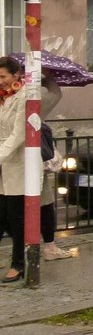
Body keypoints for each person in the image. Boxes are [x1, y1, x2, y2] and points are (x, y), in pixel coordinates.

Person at [0, 56, 29, 282]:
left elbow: (18, 134)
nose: (0, 81)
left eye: (3, 77)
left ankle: (18, 264)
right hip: (3, 165)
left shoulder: (24, 96)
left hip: (17, 164)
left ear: (16, 75)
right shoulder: (3, 97)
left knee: (15, 217)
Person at [39, 76, 75, 260]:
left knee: (10, 209)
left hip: (13, 165)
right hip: (26, 166)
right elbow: (55, 93)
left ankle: (48, 247)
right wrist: (46, 77)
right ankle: (49, 247)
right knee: (43, 205)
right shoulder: (30, 104)